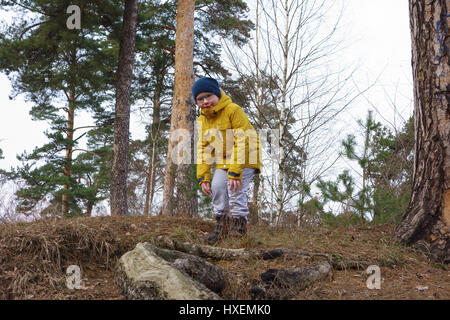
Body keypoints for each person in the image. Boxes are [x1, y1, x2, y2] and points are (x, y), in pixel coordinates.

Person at [192, 77, 261, 244]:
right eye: (200, 99)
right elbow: (204, 149)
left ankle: (239, 229)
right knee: (217, 187)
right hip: (224, 161)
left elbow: (243, 139)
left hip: (245, 157)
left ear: (217, 94)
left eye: (209, 96)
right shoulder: (202, 120)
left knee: (235, 189)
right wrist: (203, 177)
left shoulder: (233, 110)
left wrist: (235, 171)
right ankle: (221, 228)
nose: (205, 101)